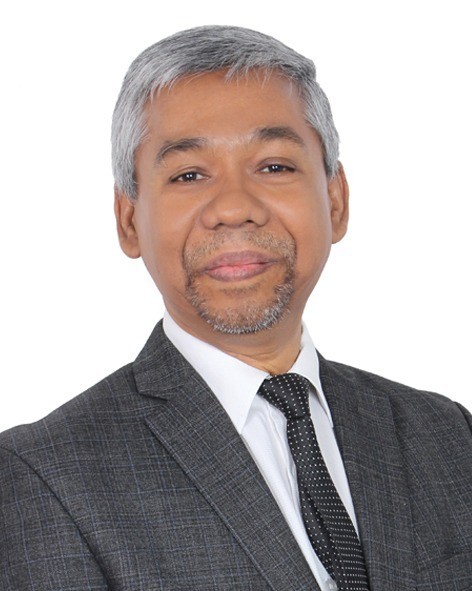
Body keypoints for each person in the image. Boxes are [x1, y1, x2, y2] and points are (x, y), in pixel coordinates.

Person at [0, 25, 470, 591]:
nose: (233, 208)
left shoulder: (447, 435)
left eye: (274, 166)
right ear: (128, 221)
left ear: (336, 200)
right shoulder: (43, 477)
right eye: (188, 174)